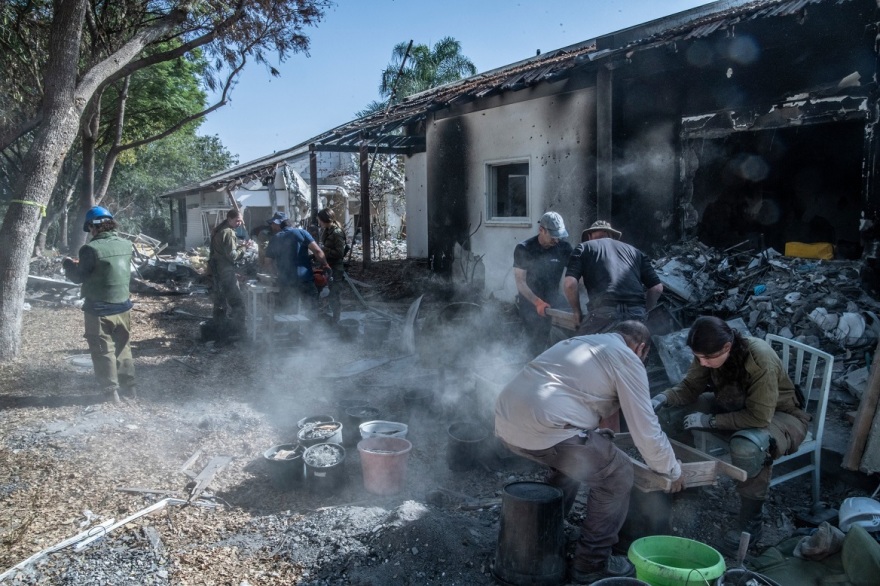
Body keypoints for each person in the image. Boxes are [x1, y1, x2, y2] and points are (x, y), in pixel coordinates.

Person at [495, 321, 684, 584]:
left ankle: (545, 534)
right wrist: (671, 469)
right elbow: (646, 429)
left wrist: (602, 443)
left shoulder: (583, 343)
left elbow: (593, 405)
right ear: (641, 348)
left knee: (577, 460)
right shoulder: (626, 357)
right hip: (544, 428)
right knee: (617, 473)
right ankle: (590, 564)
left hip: (506, 422)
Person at [651, 316, 810, 553]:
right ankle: (689, 483)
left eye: (707, 358)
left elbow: (759, 417)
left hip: (779, 415)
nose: (702, 363)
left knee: (748, 446)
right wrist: (661, 398)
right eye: (698, 357)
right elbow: (690, 388)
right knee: (671, 414)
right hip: (733, 406)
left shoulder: (759, 359)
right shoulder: (708, 354)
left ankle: (750, 522)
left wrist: (710, 420)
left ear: (727, 347)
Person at [62, 206, 135, 404]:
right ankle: (130, 389)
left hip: (99, 310)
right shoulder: (127, 244)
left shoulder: (90, 249)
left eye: (90, 229)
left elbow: (78, 277)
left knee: (102, 350)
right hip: (123, 307)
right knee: (123, 347)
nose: (90, 233)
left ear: (94, 227)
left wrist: (68, 264)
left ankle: (111, 394)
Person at [563, 220, 663, 335]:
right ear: (612, 236)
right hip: (636, 315)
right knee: (631, 352)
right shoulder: (636, 252)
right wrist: (644, 310)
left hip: (604, 314)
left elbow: (570, 284)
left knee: (582, 348)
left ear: (589, 236)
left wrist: (577, 312)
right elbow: (657, 288)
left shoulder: (584, 247)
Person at [513, 211, 573, 354]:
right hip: (531, 302)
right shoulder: (524, 248)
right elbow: (520, 282)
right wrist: (537, 302)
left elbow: (575, 277)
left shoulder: (564, 248)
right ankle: (533, 368)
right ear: (541, 230)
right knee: (536, 344)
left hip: (554, 298)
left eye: (559, 236)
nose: (556, 240)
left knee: (572, 334)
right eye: (553, 236)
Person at [264, 211, 330, 313]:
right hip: (305, 280)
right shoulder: (302, 233)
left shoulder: (275, 238)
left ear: (279, 223)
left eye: (273, 224)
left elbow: (268, 262)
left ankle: (292, 329)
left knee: (288, 313)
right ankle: (314, 328)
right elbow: (317, 251)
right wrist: (325, 265)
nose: (272, 226)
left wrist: (275, 275)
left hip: (286, 282)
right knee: (311, 311)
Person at [207, 209, 246, 333]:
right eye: (237, 220)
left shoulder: (219, 229)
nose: (239, 223)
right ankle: (238, 332)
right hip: (226, 272)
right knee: (237, 303)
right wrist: (244, 248)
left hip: (217, 271)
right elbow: (232, 256)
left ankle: (219, 332)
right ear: (229, 219)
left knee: (220, 302)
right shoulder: (228, 232)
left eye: (240, 221)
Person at [317, 208, 347, 322]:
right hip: (328, 265)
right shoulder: (327, 230)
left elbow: (340, 253)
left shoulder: (337, 232)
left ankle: (336, 319)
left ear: (325, 219)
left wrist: (324, 249)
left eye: (319, 220)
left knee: (334, 294)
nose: (319, 223)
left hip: (336, 267)